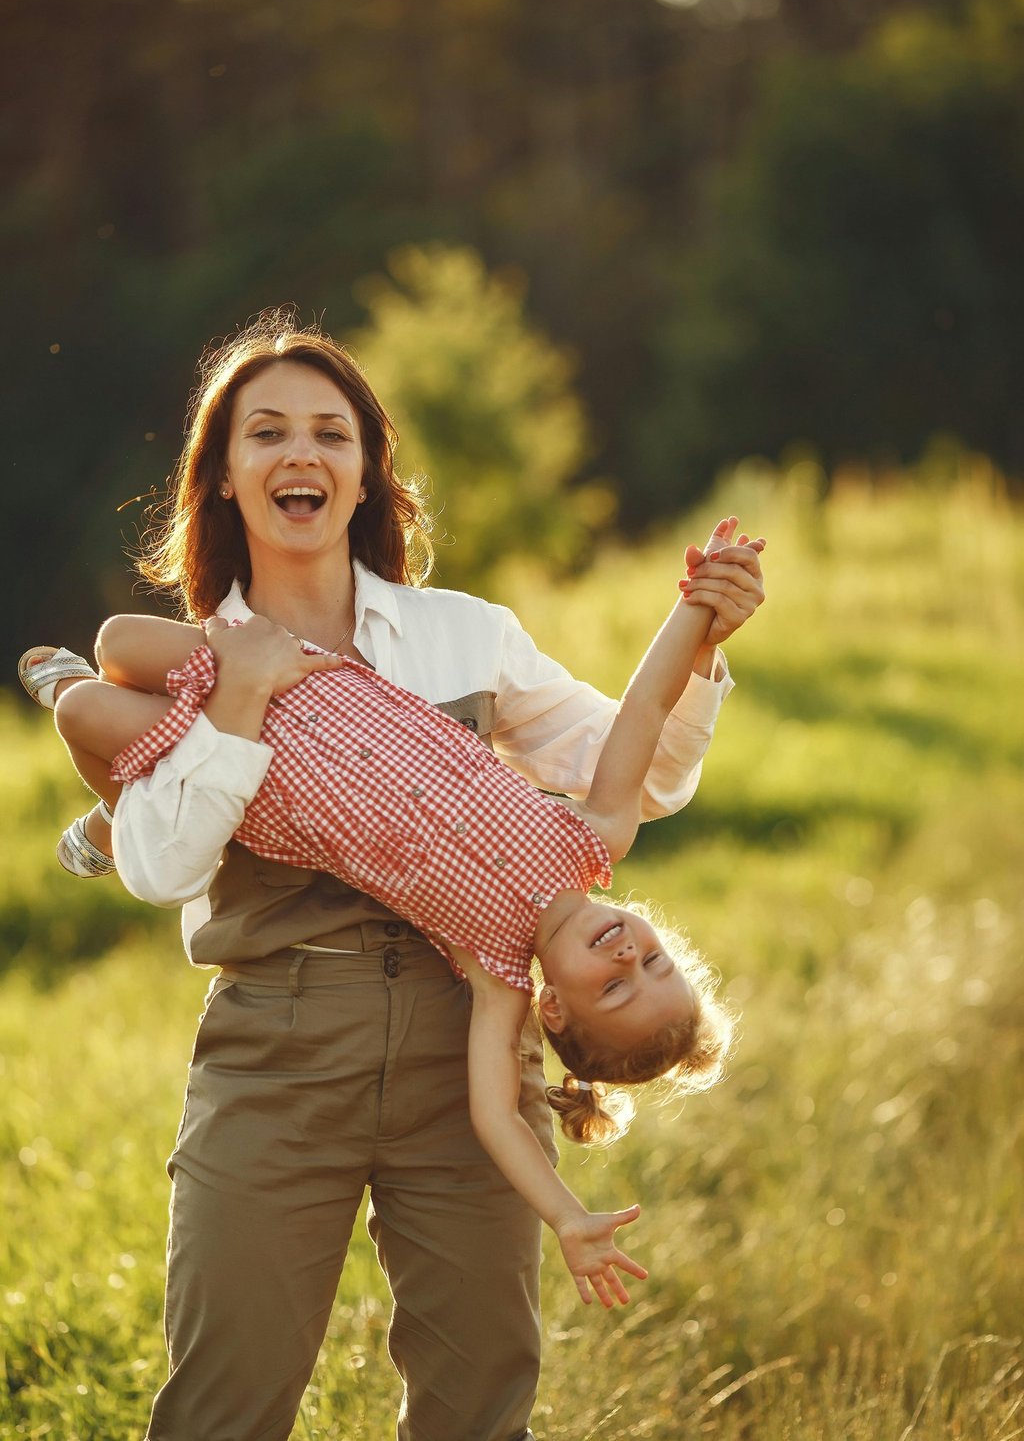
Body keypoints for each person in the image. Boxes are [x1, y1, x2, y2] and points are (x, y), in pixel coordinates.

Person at [20, 311, 765, 1441]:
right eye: (267, 433)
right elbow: (169, 871)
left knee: (478, 1400)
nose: (301, 453)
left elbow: (639, 755)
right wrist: (238, 685)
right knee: (223, 1400)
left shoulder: (466, 639)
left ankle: (110, 798)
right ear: (224, 474)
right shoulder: (204, 640)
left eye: (331, 432)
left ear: (367, 470)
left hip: (451, 1043)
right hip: (278, 1042)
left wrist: (704, 626)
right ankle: (108, 795)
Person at [22, 512, 762, 1307]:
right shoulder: (595, 834)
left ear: (552, 1007)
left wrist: (568, 1216)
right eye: (654, 960)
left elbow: (497, 1117)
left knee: (81, 711)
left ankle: (123, 810)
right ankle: (120, 817)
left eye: (615, 987)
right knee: (120, 642)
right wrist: (699, 610)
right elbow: (645, 710)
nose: (627, 956)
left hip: (267, 780)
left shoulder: (497, 974)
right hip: (322, 685)